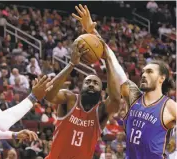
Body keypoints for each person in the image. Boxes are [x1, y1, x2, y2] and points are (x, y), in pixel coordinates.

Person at [73, 4, 176, 159]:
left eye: (149, 72)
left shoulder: (169, 106)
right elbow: (112, 61)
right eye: (143, 71)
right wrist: (92, 32)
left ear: (162, 78)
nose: (143, 75)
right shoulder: (134, 97)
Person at [44, 20, 121, 158]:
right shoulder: (69, 99)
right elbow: (49, 95)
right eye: (88, 82)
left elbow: (115, 100)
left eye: (95, 83)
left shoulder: (101, 111)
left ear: (101, 91)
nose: (91, 84)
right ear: (81, 87)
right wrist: (71, 64)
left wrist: (108, 59)